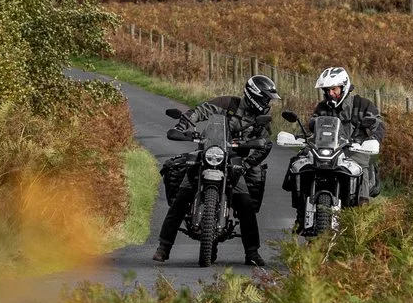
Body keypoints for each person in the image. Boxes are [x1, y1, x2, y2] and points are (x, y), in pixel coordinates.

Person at [154, 74, 281, 267]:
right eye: (265, 98)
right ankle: (163, 247)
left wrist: (247, 165)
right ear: (254, 95)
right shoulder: (226, 103)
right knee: (183, 194)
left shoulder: (261, 120)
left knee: (245, 203)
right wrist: (183, 125)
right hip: (207, 152)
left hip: (234, 161)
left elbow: (265, 144)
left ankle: (252, 252)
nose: (267, 103)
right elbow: (200, 111)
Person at [284, 65, 385, 231]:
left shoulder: (363, 105)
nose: (330, 93)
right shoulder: (323, 107)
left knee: (362, 171)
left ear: (344, 87)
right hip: (327, 149)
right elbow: (313, 124)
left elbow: (378, 124)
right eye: (327, 90)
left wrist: (373, 139)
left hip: (353, 152)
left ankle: (361, 221)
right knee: (300, 160)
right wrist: (302, 134)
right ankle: (301, 210)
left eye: (334, 89)